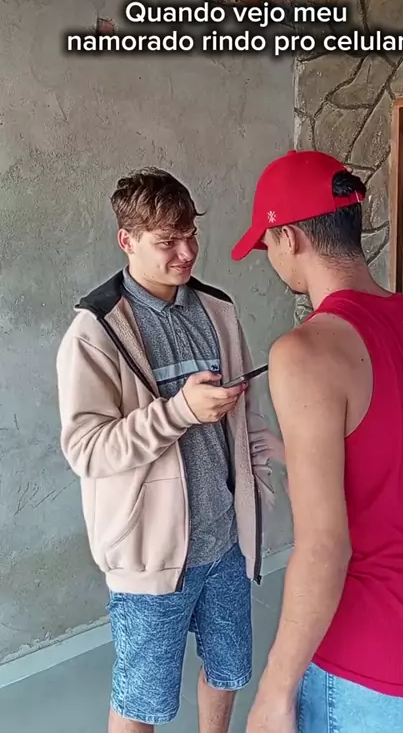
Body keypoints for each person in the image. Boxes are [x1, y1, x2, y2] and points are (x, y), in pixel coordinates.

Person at [230, 149, 403, 733]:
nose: (271, 258)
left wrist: (275, 690)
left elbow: (325, 548)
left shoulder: (304, 351)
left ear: (289, 237)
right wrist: (298, 455)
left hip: (371, 660)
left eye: (267, 244)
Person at [56, 167, 283, 733]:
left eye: (190, 236)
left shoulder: (218, 311)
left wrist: (258, 496)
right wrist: (180, 411)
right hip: (149, 557)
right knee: (143, 701)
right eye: (167, 242)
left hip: (227, 544)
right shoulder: (95, 332)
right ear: (126, 240)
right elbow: (87, 450)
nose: (186, 253)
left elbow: (247, 419)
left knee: (228, 672)